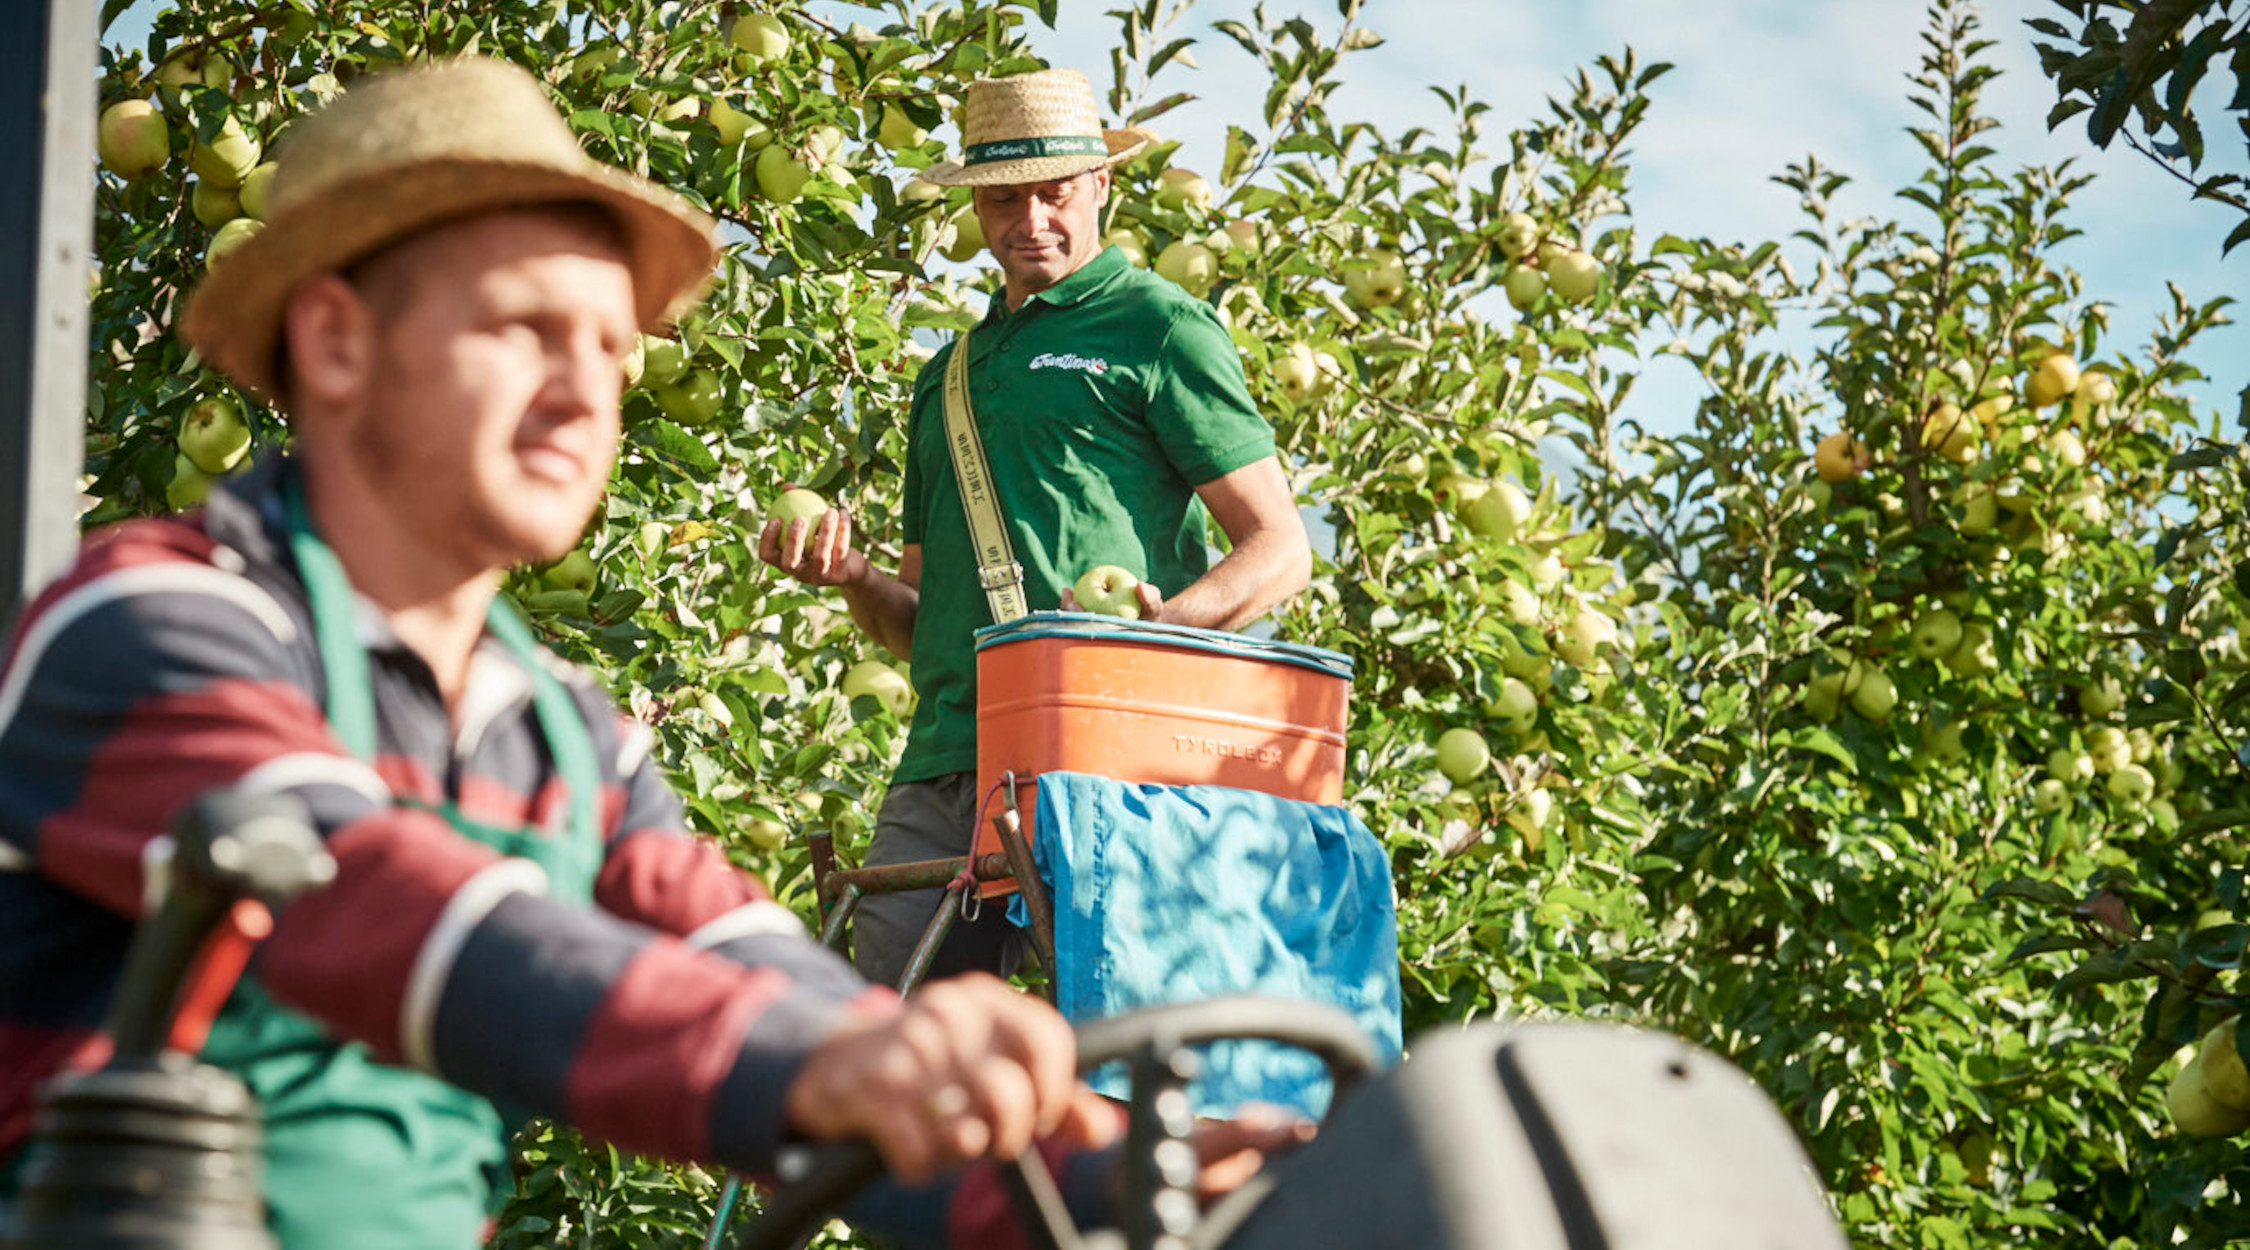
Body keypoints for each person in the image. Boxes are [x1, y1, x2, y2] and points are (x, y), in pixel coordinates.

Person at [0, 58, 1293, 1250]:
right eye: (522, 327)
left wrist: (1135, 1180)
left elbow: (749, 974)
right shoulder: (150, 623)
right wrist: (818, 1065)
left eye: (610, 346)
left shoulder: (565, 739)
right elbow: (383, 899)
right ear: (337, 342)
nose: (585, 388)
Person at [760, 68, 1314, 989]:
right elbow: (918, 625)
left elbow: (1280, 550)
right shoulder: (944, 380)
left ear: (1100, 184)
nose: (1031, 222)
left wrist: (1155, 631)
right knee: (900, 1065)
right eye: (1005, 199)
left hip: (1113, 759)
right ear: (976, 204)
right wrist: (854, 578)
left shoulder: (1158, 327)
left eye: (1054, 194)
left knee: (1122, 1065)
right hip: (945, 762)